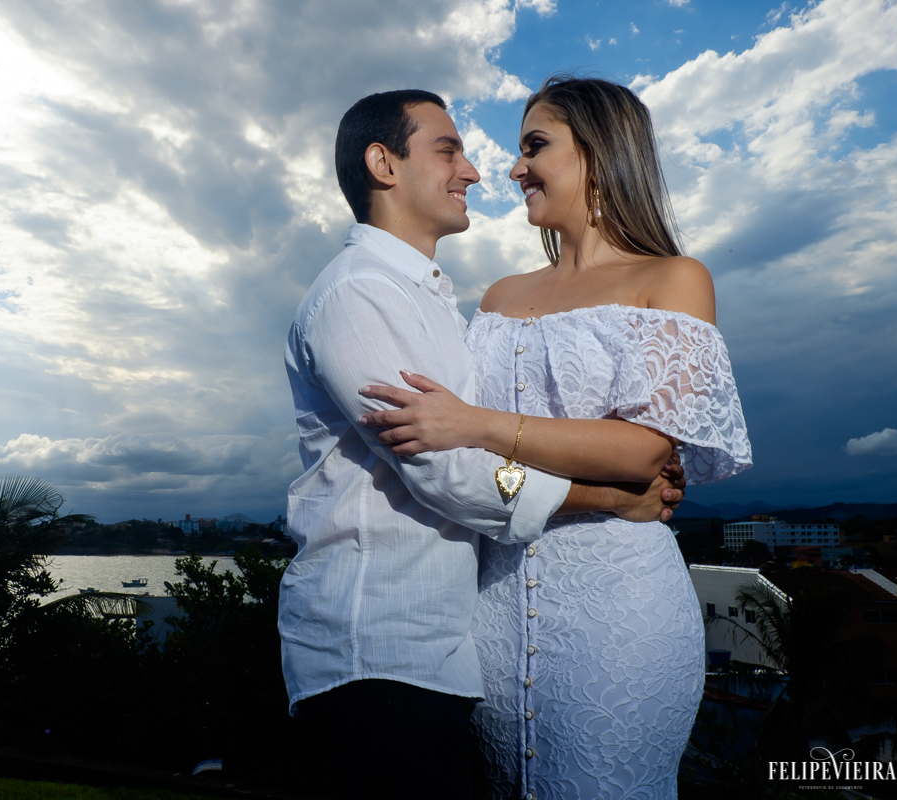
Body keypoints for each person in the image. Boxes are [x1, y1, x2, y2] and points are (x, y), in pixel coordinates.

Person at [280, 88, 688, 800]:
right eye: (448, 150)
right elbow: (450, 473)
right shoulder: (356, 296)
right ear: (384, 164)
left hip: (448, 646)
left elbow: (496, 437)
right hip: (375, 648)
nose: (474, 171)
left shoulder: (432, 301)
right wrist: (606, 496)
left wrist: (627, 449)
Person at [358, 76, 753, 799]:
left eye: (535, 146)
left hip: (622, 615)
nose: (512, 170)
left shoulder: (674, 278)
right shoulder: (500, 297)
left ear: (600, 154)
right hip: (491, 611)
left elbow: (642, 453)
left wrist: (477, 424)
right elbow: (457, 452)